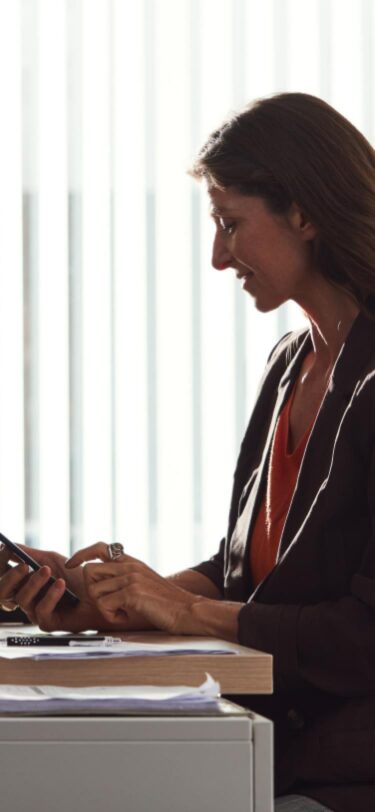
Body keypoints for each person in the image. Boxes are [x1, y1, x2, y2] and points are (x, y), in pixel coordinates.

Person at [1, 92, 375, 812]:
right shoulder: (289, 363)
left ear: (303, 212)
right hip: (276, 752)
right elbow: (246, 579)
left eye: (230, 224)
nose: (216, 256)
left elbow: (362, 635)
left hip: (344, 775)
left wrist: (178, 610)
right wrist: (107, 605)